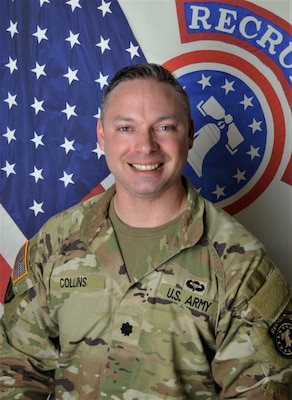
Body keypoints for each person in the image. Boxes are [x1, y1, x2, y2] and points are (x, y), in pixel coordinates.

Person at [0, 63, 291, 399]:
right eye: (126, 128)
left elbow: (261, 391)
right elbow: (15, 366)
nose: (145, 146)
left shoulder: (242, 264)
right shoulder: (55, 242)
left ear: (190, 133)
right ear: (101, 135)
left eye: (164, 127)